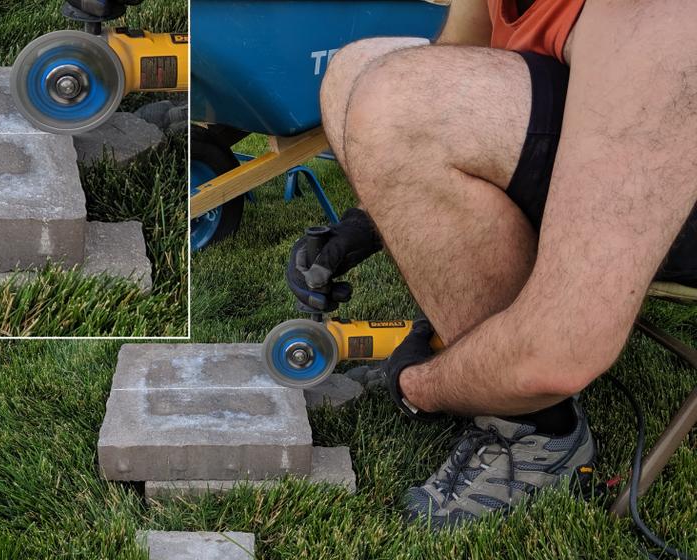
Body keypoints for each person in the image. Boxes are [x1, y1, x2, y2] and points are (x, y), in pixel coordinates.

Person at [288, 0, 697, 528]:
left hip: (673, 188)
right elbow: (454, 63)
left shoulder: (654, 20)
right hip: (613, 138)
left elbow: (561, 352)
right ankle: (485, 358)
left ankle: (539, 430)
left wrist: (421, 385)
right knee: (357, 71)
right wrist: (368, 220)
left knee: (400, 100)